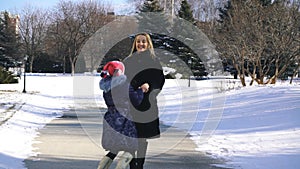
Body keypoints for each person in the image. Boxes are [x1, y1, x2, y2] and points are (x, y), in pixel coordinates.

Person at [123, 33, 165, 169]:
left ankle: (139, 166)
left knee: (141, 138)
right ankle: (131, 165)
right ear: (135, 44)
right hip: (130, 104)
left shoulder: (153, 61)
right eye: (138, 42)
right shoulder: (128, 61)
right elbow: (121, 79)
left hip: (146, 104)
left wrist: (150, 87)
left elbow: (159, 80)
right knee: (129, 137)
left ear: (148, 44)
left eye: (143, 42)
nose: (141, 44)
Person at [97, 61, 148, 169]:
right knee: (130, 147)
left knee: (114, 148)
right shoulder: (124, 85)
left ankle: (102, 166)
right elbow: (136, 100)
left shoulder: (106, 86)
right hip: (125, 119)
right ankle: (121, 166)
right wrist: (141, 90)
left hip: (111, 118)